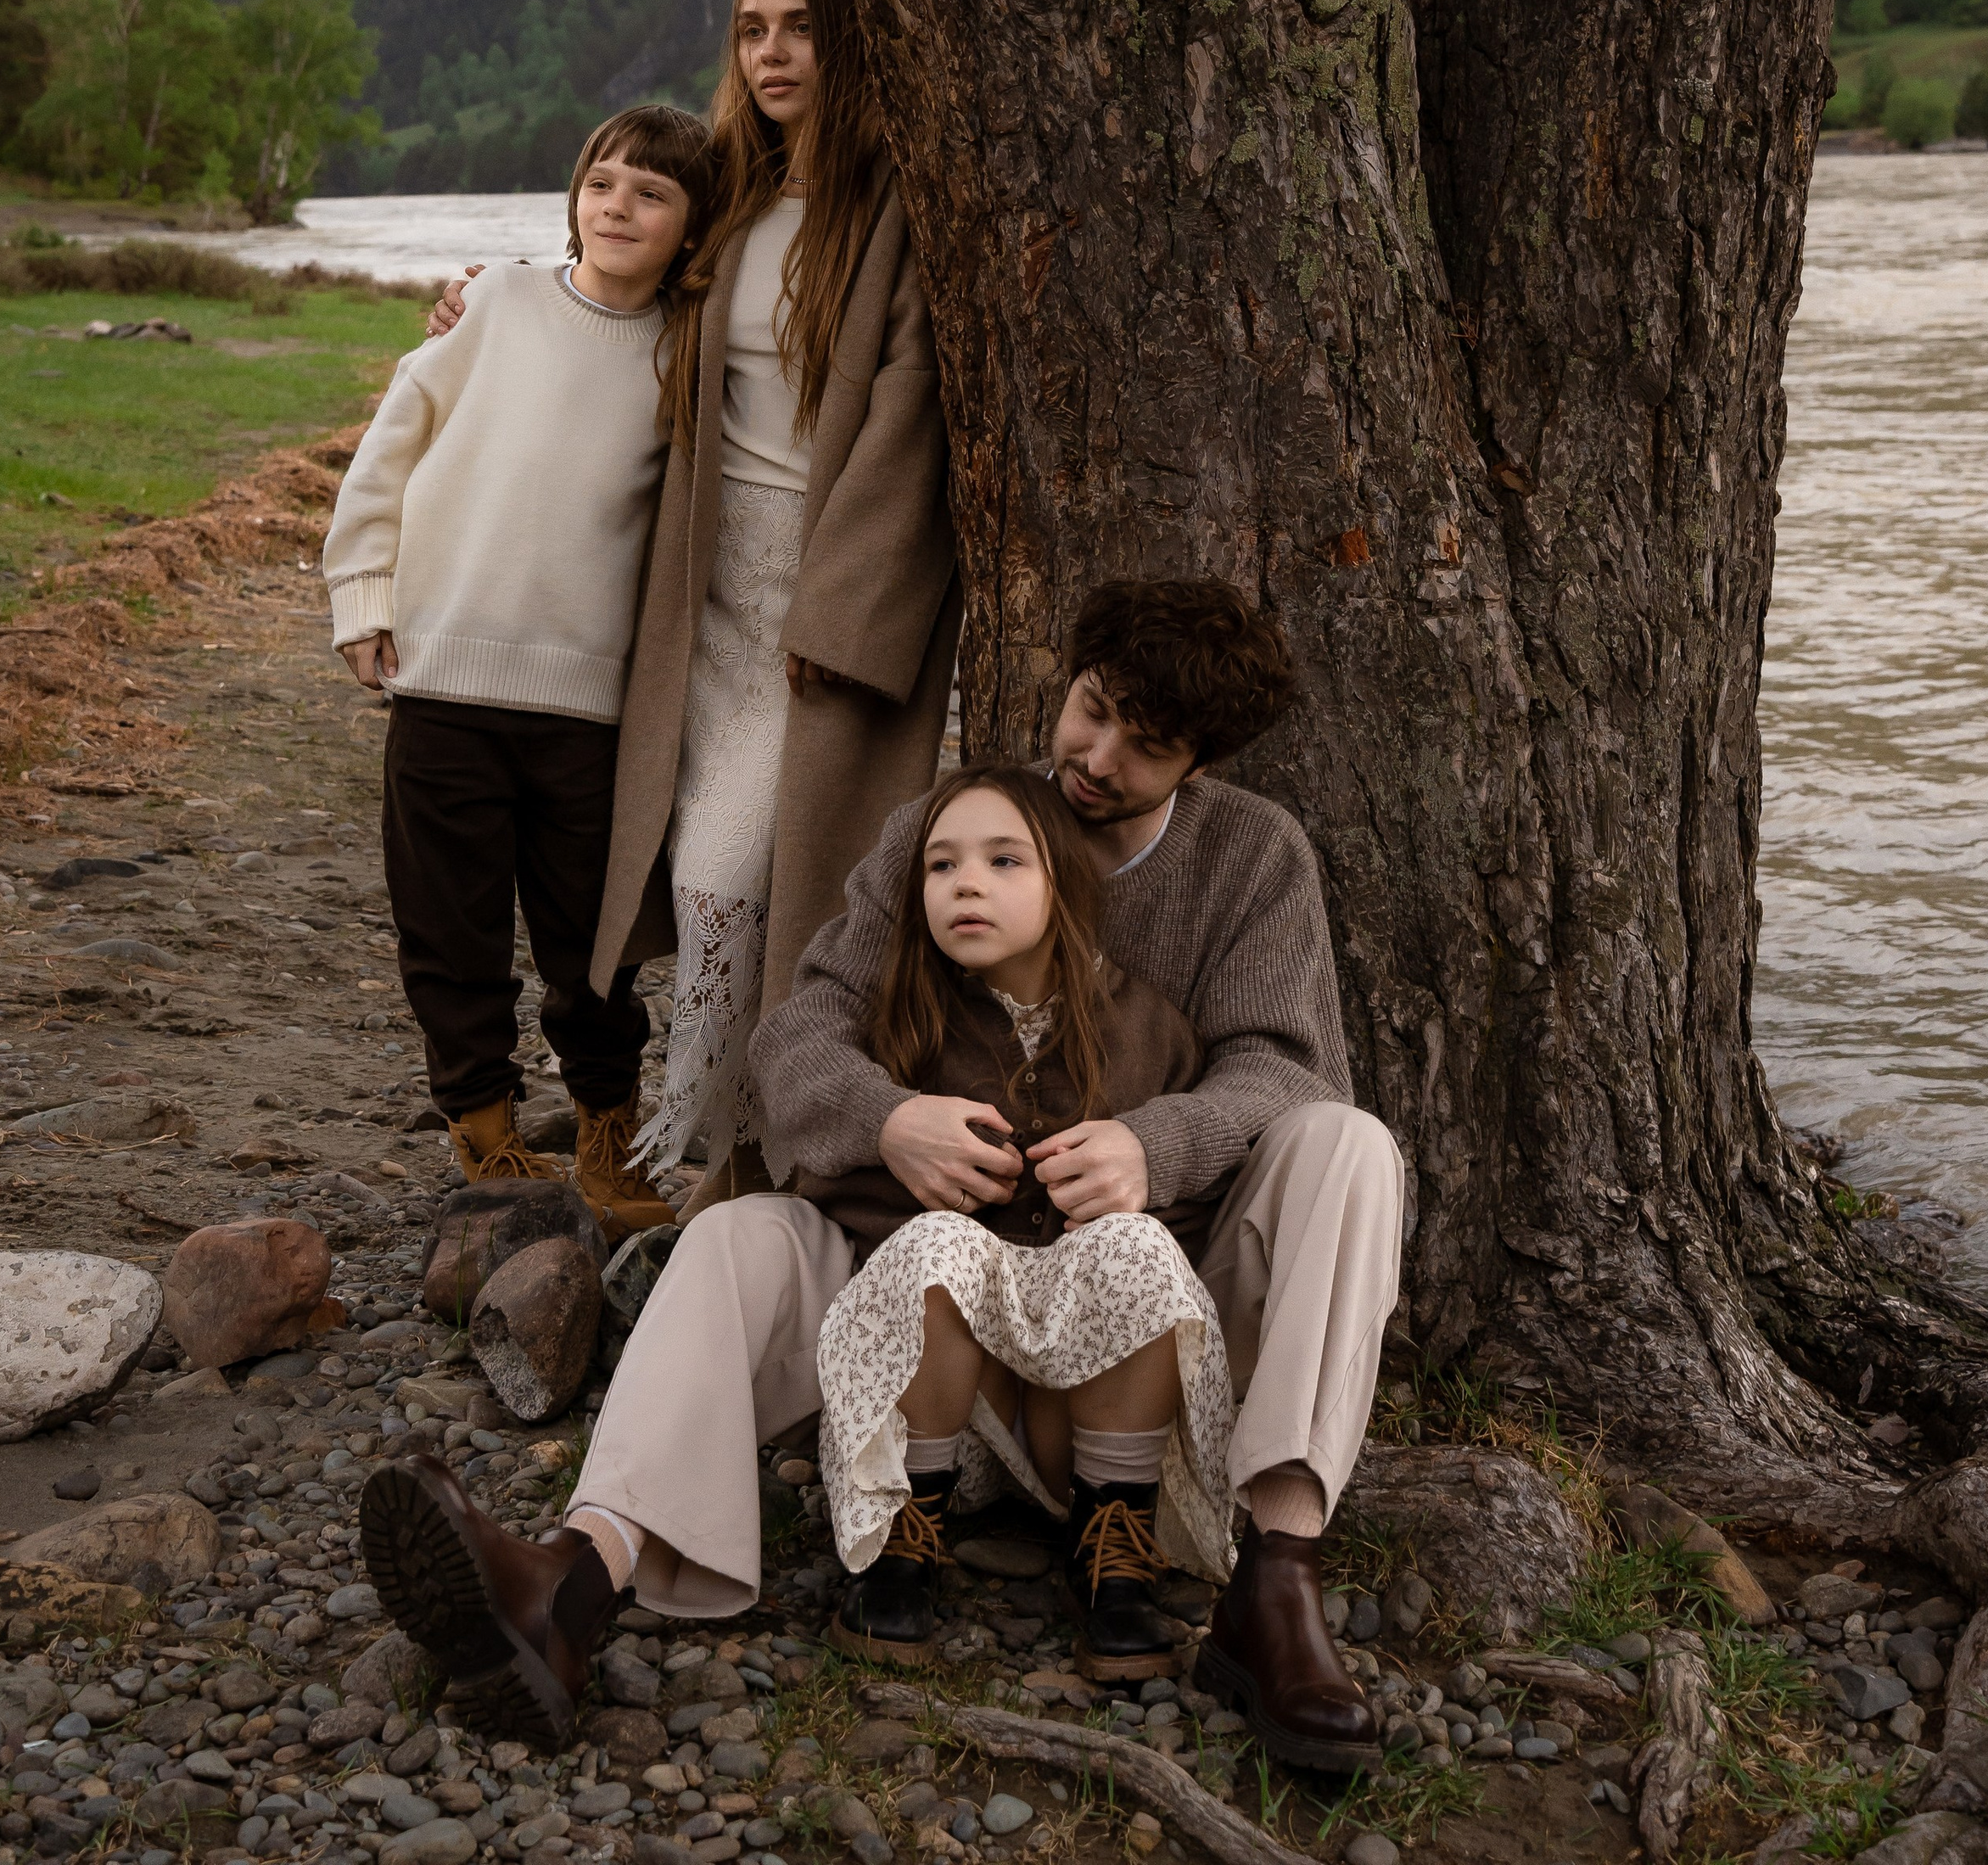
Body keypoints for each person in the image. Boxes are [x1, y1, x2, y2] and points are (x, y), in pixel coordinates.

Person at [359, 580, 1407, 1775]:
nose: (1098, 758)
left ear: (1200, 763)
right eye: (1092, 711)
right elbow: (802, 1033)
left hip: (1139, 1361)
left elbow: (1286, 1068)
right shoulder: (948, 829)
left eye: (1147, 746)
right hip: (925, 1349)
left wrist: (1155, 1144)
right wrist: (889, 1117)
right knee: (742, 1236)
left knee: (1349, 1143)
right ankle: (577, 1580)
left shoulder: (1251, 856)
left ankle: (1275, 1577)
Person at [420, 0, 959, 1201]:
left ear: (854, 44)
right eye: (752, 30)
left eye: (801, 29)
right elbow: (613, 270)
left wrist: (848, 606)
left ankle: (702, 1144)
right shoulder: (726, 189)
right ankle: (720, 1133)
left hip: (818, 592)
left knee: (740, 881)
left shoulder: (897, 206)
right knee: (697, 871)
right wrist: (488, 302)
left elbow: (908, 414)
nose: (772, 53)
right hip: (700, 589)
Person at [322, 105, 714, 1239]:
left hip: (588, 710)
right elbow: (391, 447)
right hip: (444, 684)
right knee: (448, 927)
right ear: (574, 196)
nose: (619, 205)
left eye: (651, 193)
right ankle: (485, 1133)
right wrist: (363, 598)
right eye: (604, 182)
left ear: (692, 230)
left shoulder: (686, 351)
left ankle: (605, 1123)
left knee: (591, 943)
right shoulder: (495, 304)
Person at [800, 763, 1235, 1677]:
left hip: (1089, 1423)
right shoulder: (905, 1024)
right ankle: (903, 1533)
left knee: (1140, 1242)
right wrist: (918, 1166)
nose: (966, 884)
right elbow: (830, 1182)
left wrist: (1115, 1210)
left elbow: (1198, 1204)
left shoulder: (1144, 1024)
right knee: (932, 1242)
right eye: (941, 866)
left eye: (1005, 861)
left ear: (1064, 886)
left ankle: (1113, 1556)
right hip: (957, 1412)